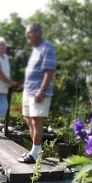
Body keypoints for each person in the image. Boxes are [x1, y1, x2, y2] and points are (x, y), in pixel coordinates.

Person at [19, 23, 56, 164]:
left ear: (38, 32)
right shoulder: (36, 49)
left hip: (38, 91)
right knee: (29, 120)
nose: (27, 36)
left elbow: (50, 71)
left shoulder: (47, 47)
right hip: (29, 90)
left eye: (30, 32)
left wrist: (42, 90)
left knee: (36, 121)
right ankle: (34, 151)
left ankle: (35, 155)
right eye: (27, 33)